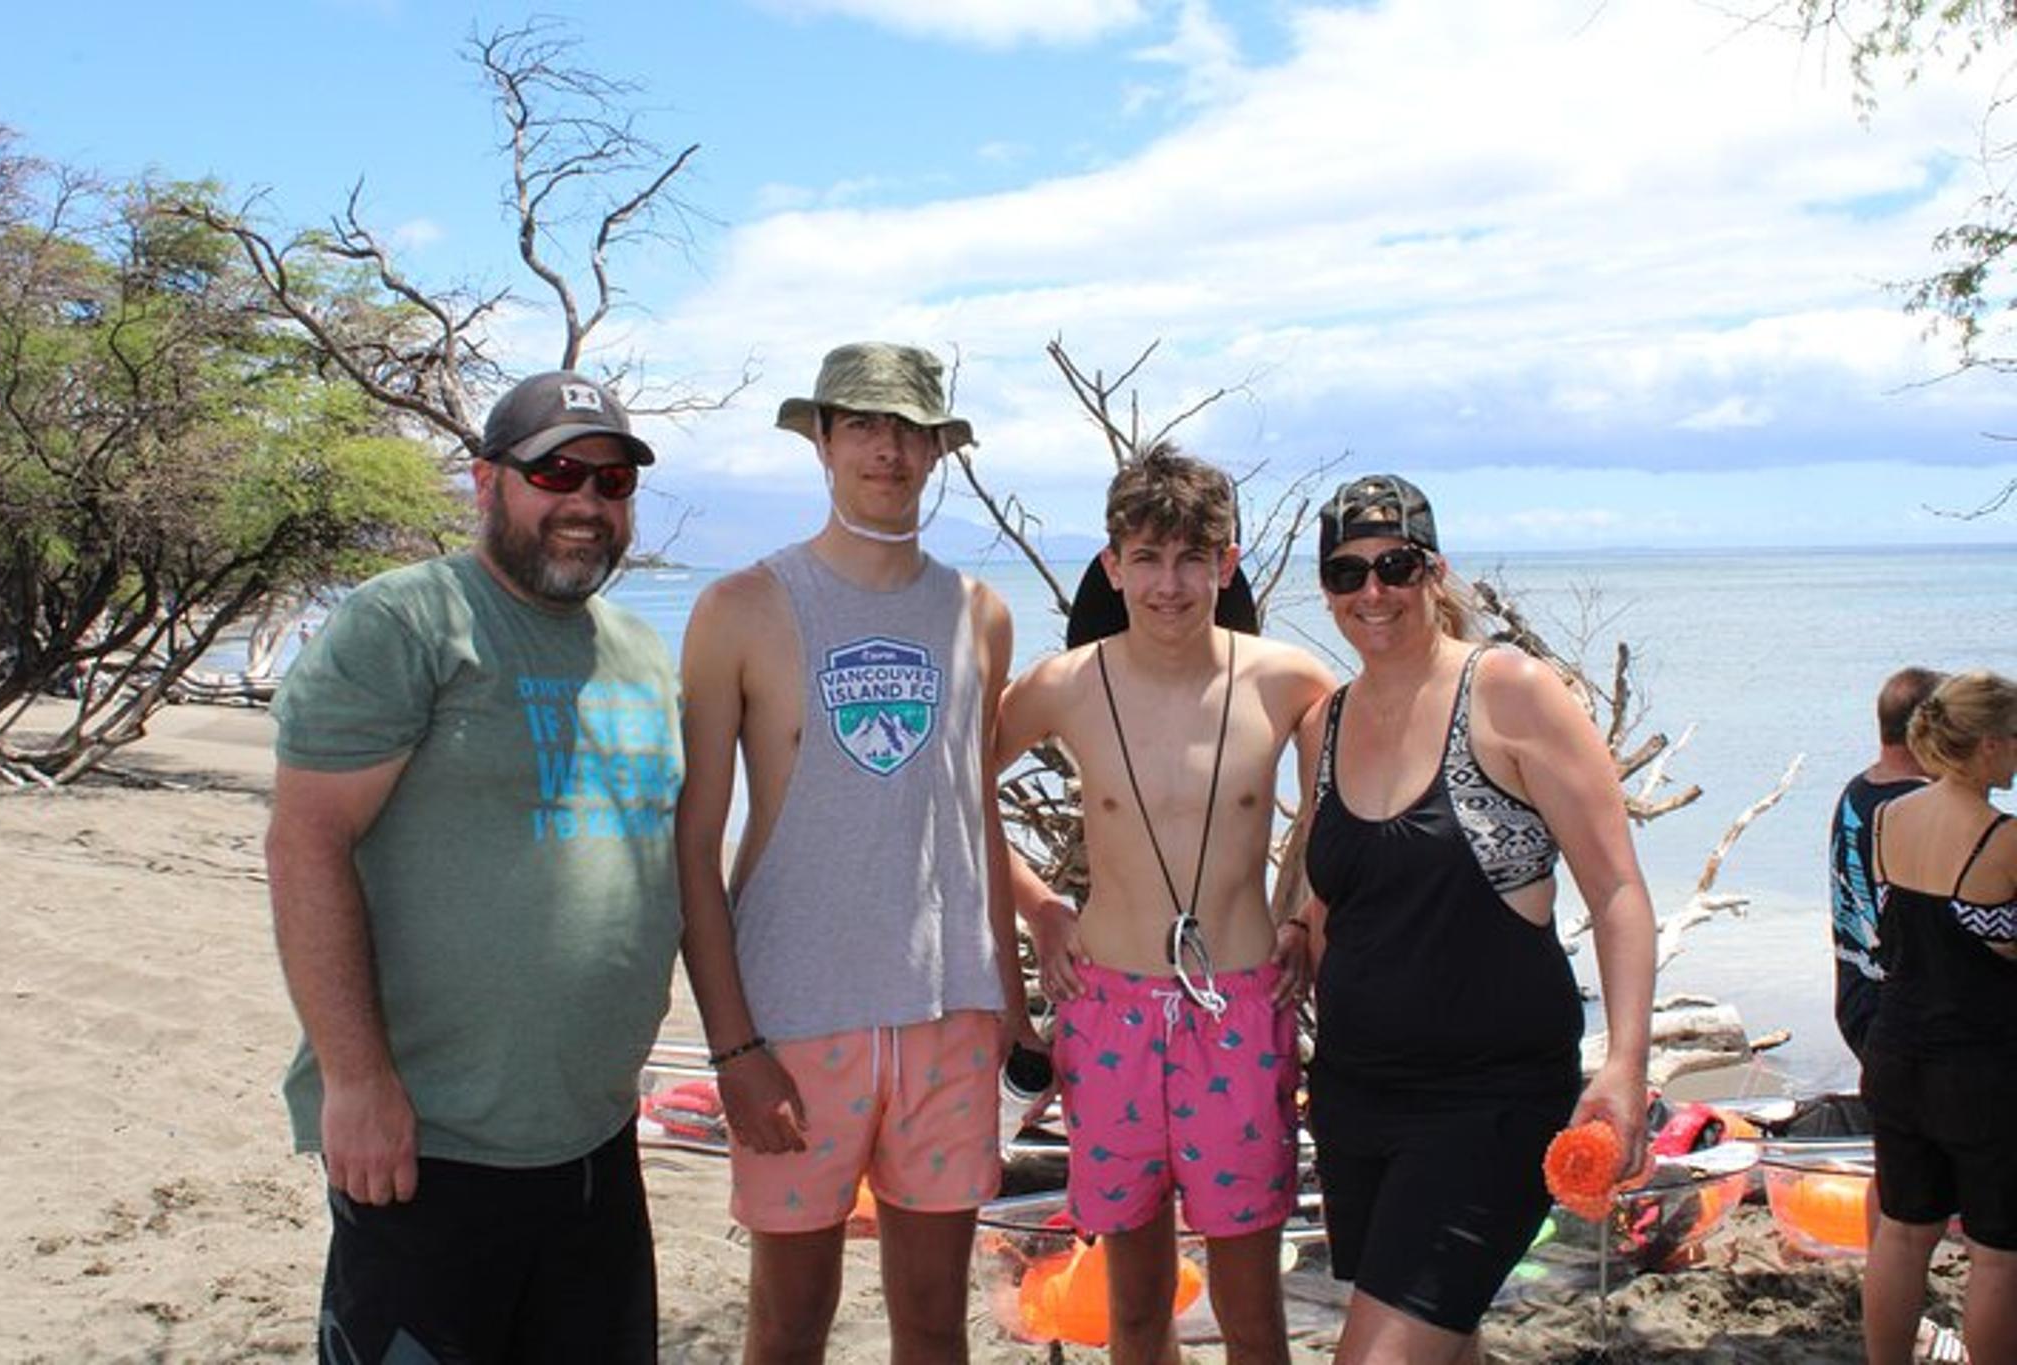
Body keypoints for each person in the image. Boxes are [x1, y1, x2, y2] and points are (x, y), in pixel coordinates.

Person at [266, 370, 683, 1363]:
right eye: (557, 473)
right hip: (430, 1144)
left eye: (612, 482)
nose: (585, 502)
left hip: (595, 1137)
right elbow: (304, 843)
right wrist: (355, 1084)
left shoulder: (638, 652)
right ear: (487, 481)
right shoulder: (407, 623)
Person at [675, 342, 1026, 1364]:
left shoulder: (979, 614)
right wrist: (734, 1049)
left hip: (947, 1016)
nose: (887, 449)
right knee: (788, 1319)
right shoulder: (739, 607)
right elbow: (693, 843)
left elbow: (974, 816)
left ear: (937, 451)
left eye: (909, 429)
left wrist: (1010, 998)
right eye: (863, 425)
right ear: (820, 440)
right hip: (795, 1019)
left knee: (930, 1318)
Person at [1294, 473, 1657, 1365]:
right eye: (1347, 574)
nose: (1372, 592)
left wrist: (1625, 1061)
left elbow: (1616, 890)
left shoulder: (1508, 692)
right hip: (1355, 1096)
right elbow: (1330, 898)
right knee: (1444, 1340)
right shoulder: (1323, 725)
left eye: (1396, 566)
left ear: (1435, 570)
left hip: (1488, 1103)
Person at [995, 446, 1339, 1364]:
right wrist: (1036, 904)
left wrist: (1304, 913)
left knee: (1251, 1311)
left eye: (1194, 558)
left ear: (1228, 563)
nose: (1170, 584)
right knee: (1135, 1307)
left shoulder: (1290, 681)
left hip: (1242, 1008)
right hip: (1107, 1009)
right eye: (1146, 559)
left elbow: (1351, 803)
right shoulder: (1066, 684)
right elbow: (946, 792)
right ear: (1113, 566)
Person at [1859, 670, 2017, 1365]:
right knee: (2000, 1254)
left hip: (1895, 1051)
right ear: (1986, 745)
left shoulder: (1888, 817)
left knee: (1901, 1231)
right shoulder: (2002, 839)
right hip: (1980, 1070)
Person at [1830, 667, 1943, 1060]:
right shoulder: (1918, 810)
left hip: (1857, 996)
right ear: (1928, 733)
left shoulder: (1858, 790)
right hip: (1902, 1016)